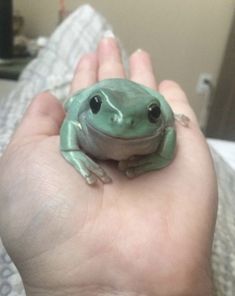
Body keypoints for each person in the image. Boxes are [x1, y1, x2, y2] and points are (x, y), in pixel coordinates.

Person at [0, 36, 217, 296]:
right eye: (96, 106)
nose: (122, 123)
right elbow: (72, 122)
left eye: (152, 114)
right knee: (73, 103)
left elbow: (169, 131)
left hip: (141, 106)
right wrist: (70, 149)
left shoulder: (159, 132)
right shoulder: (85, 121)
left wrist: (160, 155)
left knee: (160, 108)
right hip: (101, 99)